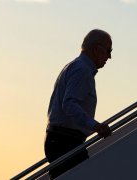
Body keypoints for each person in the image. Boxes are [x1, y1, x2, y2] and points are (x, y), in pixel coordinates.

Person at [44, 29, 113, 179]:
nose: (109, 56)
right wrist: (95, 126)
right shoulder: (82, 70)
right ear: (96, 49)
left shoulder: (75, 67)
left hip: (61, 140)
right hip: (66, 141)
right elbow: (69, 104)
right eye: (108, 51)